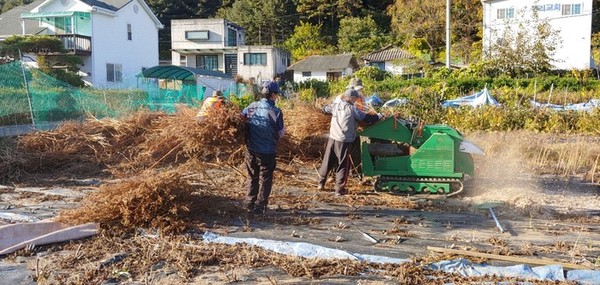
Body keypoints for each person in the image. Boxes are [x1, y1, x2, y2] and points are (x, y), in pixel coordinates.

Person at [318, 88, 383, 196]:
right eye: (355, 99)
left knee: (328, 160)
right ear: (352, 98)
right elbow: (366, 118)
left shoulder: (336, 106)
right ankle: (339, 189)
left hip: (333, 138)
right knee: (343, 164)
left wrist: (324, 107)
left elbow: (325, 109)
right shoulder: (353, 109)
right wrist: (379, 116)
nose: (355, 100)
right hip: (344, 140)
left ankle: (320, 183)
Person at [241, 81, 285, 214]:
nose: (276, 97)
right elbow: (280, 132)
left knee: (252, 175)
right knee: (265, 178)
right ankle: (261, 206)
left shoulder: (252, 107)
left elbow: (241, 119)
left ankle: (249, 203)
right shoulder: (275, 111)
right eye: (276, 94)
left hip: (251, 149)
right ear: (272, 95)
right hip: (267, 151)